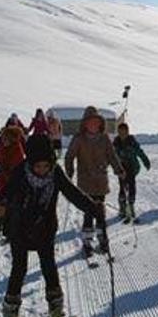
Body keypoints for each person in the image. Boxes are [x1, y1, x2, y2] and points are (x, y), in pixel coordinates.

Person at [0, 134, 102, 317]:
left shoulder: (55, 173)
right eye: (38, 166)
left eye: (46, 165)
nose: (42, 170)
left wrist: (93, 207)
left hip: (44, 230)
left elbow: (73, 193)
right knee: (19, 269)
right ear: (30, 162)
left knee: (49, 269)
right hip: (20, 230)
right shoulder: (20, 172)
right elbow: (3, 194)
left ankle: (57, 313)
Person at [64, 106, 124, 257]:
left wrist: (119, 170)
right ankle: (87, 241)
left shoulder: (104, 138)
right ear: (85, 124)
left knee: (100, 212)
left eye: (96, 122)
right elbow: (69, 156)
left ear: (100, 123)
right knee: (89, 213)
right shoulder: (78, 139)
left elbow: (112, 156)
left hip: (101, 182)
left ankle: (103, 240)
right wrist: (69, 172)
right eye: (90, 122)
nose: (93, 125)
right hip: (85, 183)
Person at [113, 122, 150, 223]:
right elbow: (111, 156)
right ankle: (122, 208)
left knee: (132, 186)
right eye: (120, 132)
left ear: (127, 132)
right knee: (122, 187)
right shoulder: (116, 143)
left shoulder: (132, 142)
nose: (122, 134)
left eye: (124, 132)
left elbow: (140, 152)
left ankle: (131, 207)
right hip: (121, 169)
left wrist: (146, 161)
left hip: (132, 168)